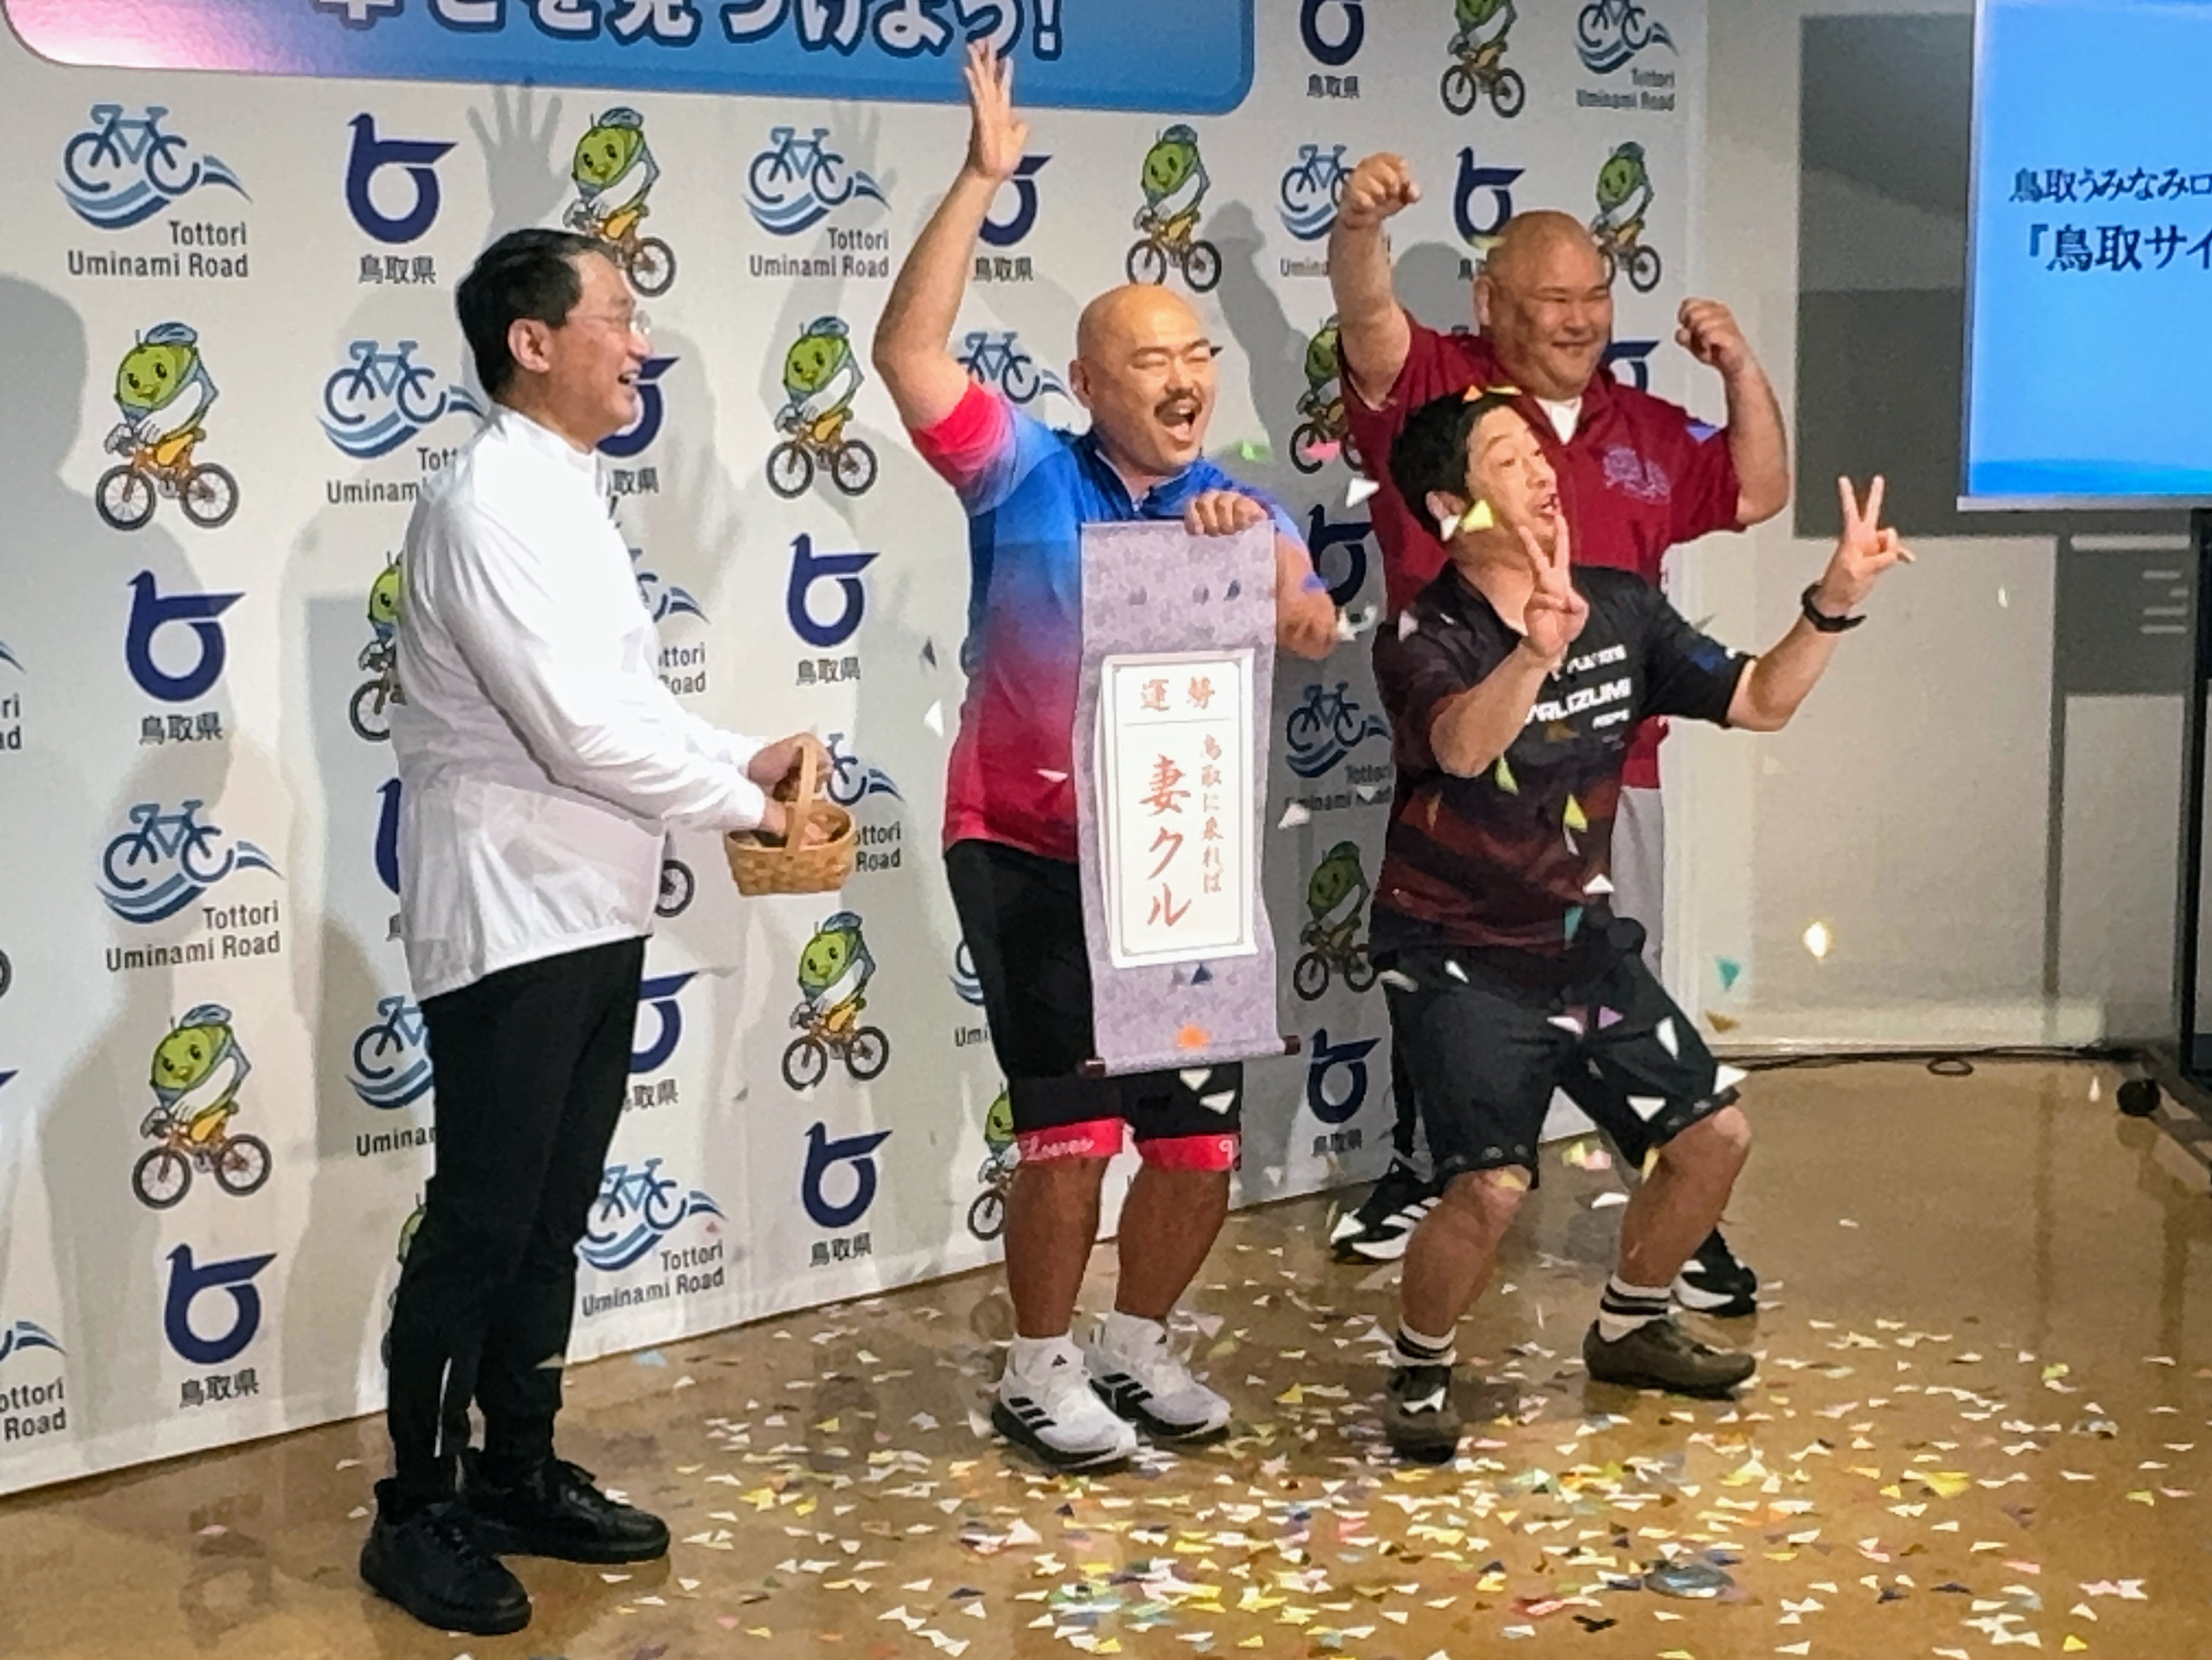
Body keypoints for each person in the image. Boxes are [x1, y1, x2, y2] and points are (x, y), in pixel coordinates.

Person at [874, 45, 1338, 1472]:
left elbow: (1311, 623)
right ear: (1087, 382)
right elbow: (907, 358)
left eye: (1199, 356)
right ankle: (1037, 1364)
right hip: (1020, 842)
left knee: (1196, 1142)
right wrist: (979, 181)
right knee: (1070, 1131)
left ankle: (1136, 1340)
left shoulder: (1243, 507)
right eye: (1152, 359)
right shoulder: (1019, 467)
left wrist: (1259, 573)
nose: (1185, 377)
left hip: (1174, 868)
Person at [365, 226, 828, 1636]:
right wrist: (747, 808)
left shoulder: (561, 492)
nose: (643, 344)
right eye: (618, 317)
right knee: (483, 1223)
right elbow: (576, 734)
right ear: (533, 341)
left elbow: (623, 704)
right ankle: (417, 1511)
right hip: (510, 912)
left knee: (551, 1217)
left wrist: (742, 755)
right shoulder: (487, 504)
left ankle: (515, 1469)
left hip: (590, 903)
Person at [1369, 387, 1910, 1460]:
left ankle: (1630, 1323)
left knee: (1715, 1137)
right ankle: (1423, 1363)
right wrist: (1533, 652)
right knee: (1491, 1186)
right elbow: (1464, 749)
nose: (1541, 473)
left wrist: (1834, 601)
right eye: (1507, 458)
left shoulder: (1620, 604)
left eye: (1540, 452)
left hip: (1583, 944)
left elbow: (1760, 700)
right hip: (1456, 953)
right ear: (1449, 509)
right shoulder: (1422, 632)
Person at [1324, 154, 1790, 1314]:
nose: (1580, 320)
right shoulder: (1445, 395)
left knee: (1618, 985)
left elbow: (1758, 490)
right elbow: (1367, 318)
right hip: (1472, 753)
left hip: (1616, 763)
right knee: (1455, 990)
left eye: (1596, 297)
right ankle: (1425, 1172)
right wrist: (1361, 224)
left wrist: (1740, 365)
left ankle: (1674, 1211)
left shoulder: (1644, 422)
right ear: (1491, 302)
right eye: (1551, 299)